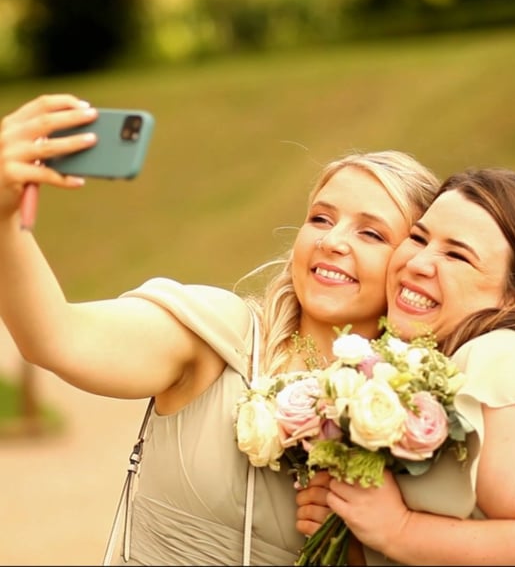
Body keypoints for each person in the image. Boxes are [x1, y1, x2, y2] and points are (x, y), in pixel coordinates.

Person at [0, 94, 440, 565]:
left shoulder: (428, 412)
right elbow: (58, 338)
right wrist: (3, 216)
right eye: (320, 218)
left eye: (370, 233)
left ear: (414, 265)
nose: (332, 241)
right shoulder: (221, 333)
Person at [295, 167, 515, 565]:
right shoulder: (469, 364)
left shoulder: (507, 358)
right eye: (419, 238)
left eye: (456, 255)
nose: (418, 262)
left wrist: (398, 529)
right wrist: (355, 536)